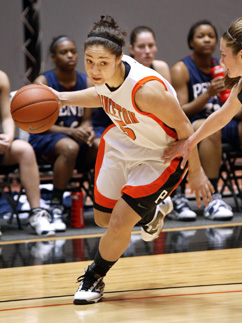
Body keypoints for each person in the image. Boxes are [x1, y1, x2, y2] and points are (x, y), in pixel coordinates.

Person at [46, 15, 213, 305]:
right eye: (89, 61)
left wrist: (196, 173)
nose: (94, 69)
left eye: (102, 63)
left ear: (120, 58)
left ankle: (94, 277)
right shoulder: (107, 76)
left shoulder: (147, 91)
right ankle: (151, 213)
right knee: (102, 219)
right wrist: (61, 97)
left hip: (162, 154)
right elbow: (101, 95)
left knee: (121, 223)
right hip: (127, 141)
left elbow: (188, 130)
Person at [29, 35, 99, 232]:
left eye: (73, 51)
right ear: (53, 57)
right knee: (70, 147)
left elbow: (86, 118)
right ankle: (56, 204)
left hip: (74, 139)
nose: (70, 55)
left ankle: (108, 202)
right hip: (45, 137)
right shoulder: (43, 81)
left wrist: (87, 130)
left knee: (100, 144)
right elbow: (37, 123)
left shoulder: (86, 82)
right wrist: (70, 131)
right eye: (64, 52)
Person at [162, 18, 242, 187]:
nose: (221, 62)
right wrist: (189, 144)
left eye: (224, 55)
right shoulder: (239, 84)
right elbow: (222, 116)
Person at [0, 70, 55, 237]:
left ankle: (37, 213)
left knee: (24, 150)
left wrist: (8, 138)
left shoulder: (2, 77)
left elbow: (6, 117)